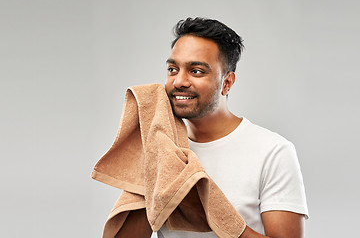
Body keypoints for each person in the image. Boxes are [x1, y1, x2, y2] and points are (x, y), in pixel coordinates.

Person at [116, 17, 309, 238]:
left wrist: (217, 215)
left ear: (227, 82)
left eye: (196, 71)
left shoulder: (273, 151)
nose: (179, 81)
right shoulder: (162, 147)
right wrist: (150, 156)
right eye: (172, 69)